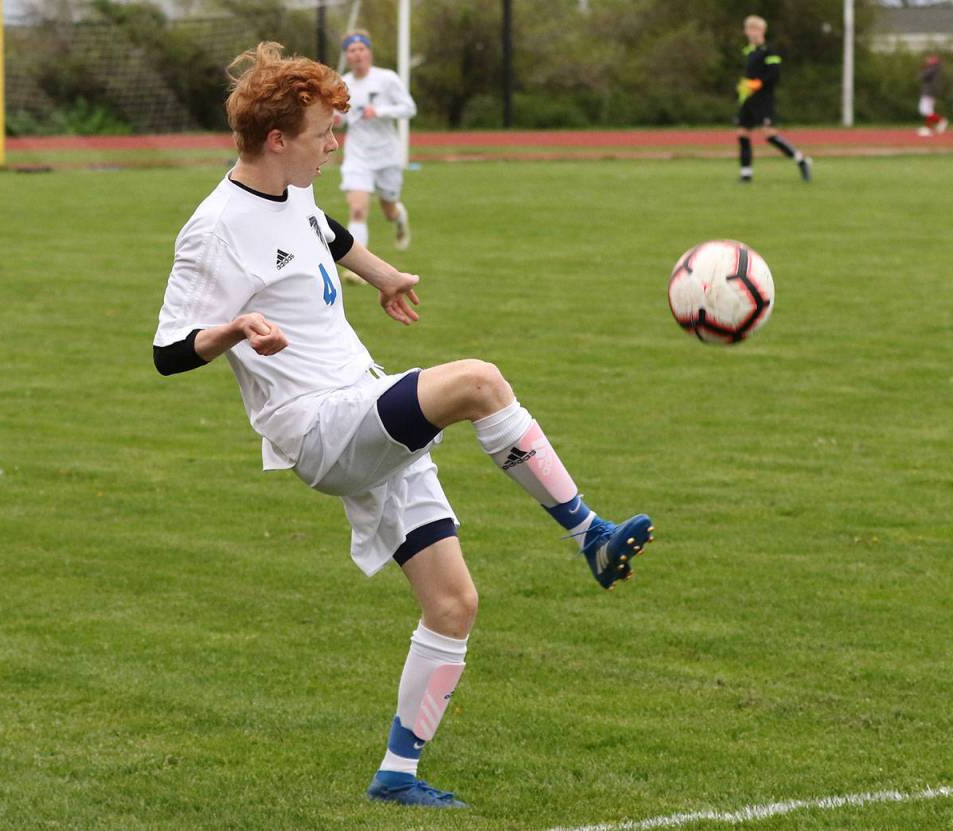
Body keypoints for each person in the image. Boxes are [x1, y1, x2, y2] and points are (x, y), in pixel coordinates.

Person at [152, 42, 653, 810]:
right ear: (278, 138)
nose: (336, 143)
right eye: (324, 131)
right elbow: (166, 351)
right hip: (320, 426)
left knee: (453, 602)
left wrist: (383, 277)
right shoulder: (213, 227)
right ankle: (589, 532)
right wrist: (234, 329)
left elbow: (327, 234)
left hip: (361, 402)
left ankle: (397, 774)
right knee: (478, 381)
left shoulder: (291, 192)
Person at [335, 29, 415, 284]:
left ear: (369, 52)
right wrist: (336, 119)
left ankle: (400, 220)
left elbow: (409, 108)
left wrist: (379, 111)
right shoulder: (342, 83)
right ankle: (358, 269)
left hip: (387, 156)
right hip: (357, 156)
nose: (357, 54)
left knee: (388, 210)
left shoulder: (386, 79)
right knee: (358, 209)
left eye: (361, 49)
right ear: (347, 56)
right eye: (351, 50)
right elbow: (341, 119)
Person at [734, 15, 811, 183]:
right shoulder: (748, 52)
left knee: (769, 135)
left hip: (764, 99)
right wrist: (744, 87)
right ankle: (746, 174)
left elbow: (774, 74)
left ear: (762, 31)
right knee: (742, 133)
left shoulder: (769, 51)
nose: (751, 32)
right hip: (748, 99)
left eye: (755, 29)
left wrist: (758, 84)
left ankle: (801, 160)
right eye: (749, 29)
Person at [917, 54, 948, 137]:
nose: (927, 60)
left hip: (929, 91)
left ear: (934, 61)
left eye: (930, 59)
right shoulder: (934, 68)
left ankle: (941, 120)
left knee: (925, 109)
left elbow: (923, 76)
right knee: (927, 110)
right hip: (930, 91)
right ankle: (929, 128)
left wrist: (924, 67)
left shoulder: (933, 68)